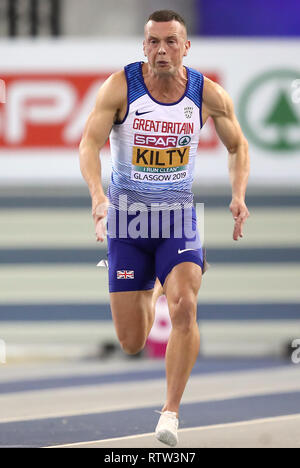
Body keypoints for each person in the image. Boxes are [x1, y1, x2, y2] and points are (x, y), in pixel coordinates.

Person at [79, 10, 250, 447]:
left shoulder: (207, 94)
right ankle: (152, 284)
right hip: (128, 218)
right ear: (143, 47)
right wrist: (98, 196)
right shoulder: (121, 87)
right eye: (153, 42)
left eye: (171, 41)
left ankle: (170, 412)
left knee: (185, 307)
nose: (161, 50)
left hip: (178, 215)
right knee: (132, 340)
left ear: (186, 47)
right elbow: (89, 143)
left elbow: (238, 145)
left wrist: (238, 194)